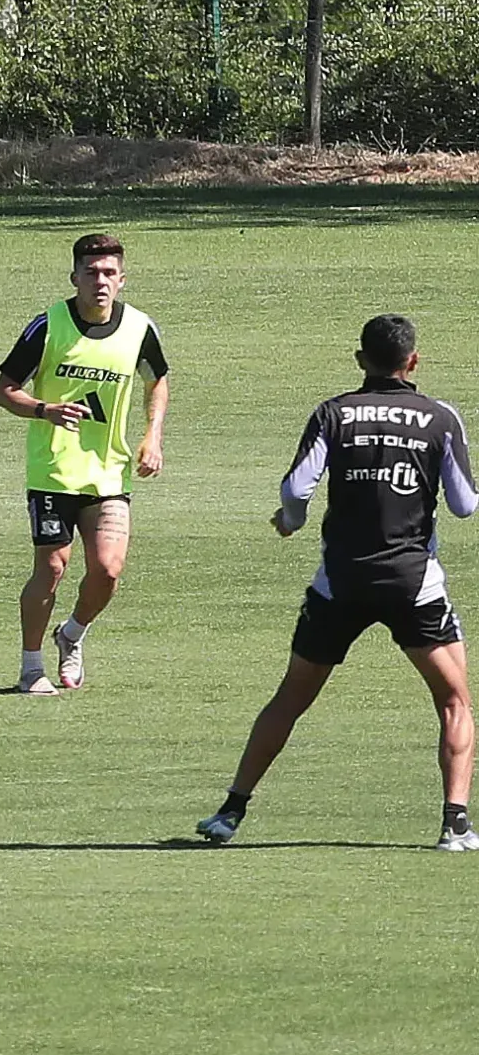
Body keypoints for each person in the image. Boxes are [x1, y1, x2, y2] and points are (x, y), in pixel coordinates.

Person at [195, 314, 479, 852]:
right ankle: (455, 825)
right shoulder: (440, 418)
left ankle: (231, 812)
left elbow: (297, 486)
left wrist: (291, 522)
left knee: (290, 699)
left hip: (340, 583)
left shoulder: (334, 413)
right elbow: (465, 505)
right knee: (454, 702)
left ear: (359, 359)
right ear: (413, 361)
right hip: (412, 583)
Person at [0, 232, 170, 693]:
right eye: (90, 273)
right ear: (74, 277)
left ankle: (71, 634)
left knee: (108, 569)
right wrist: (42, 410)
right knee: (52, 567)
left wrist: (152, 435)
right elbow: (4, 389)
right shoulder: (47, 326)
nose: (100, 281)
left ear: (123, 279)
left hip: (109, 470)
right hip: (53, 470)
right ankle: (31, 668)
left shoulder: (139, 329)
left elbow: (157, 382)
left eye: (109, 273)